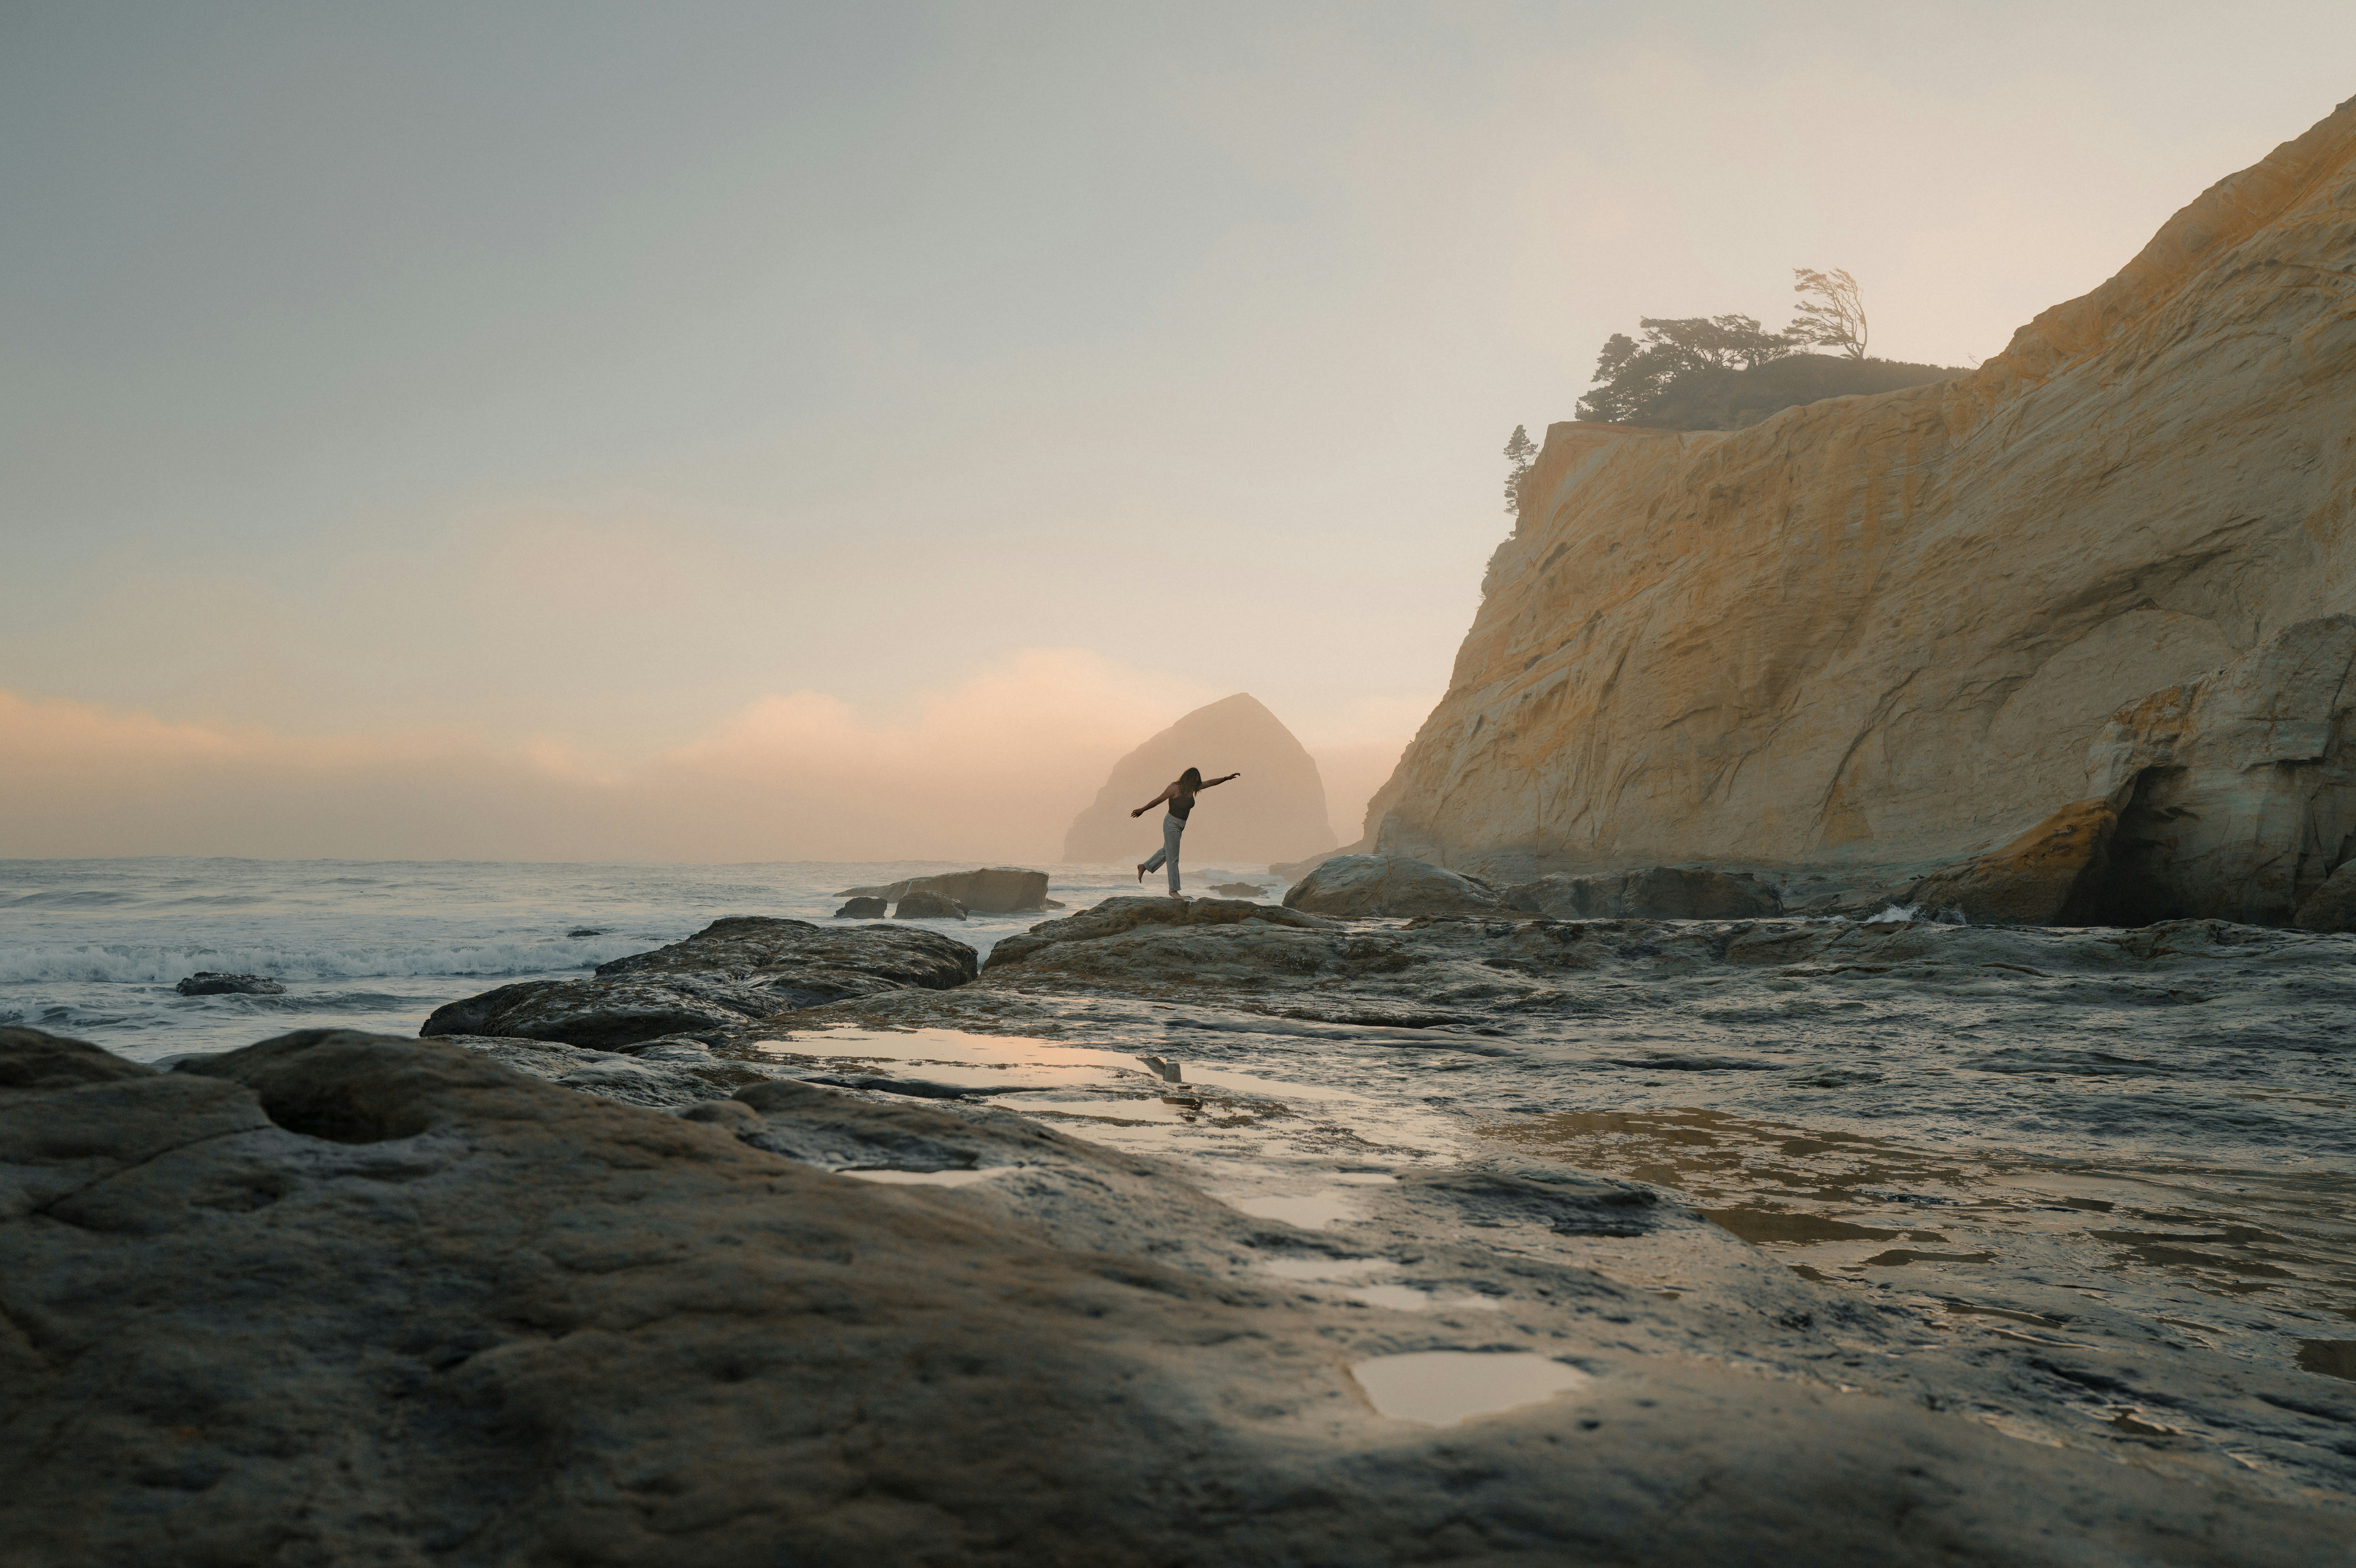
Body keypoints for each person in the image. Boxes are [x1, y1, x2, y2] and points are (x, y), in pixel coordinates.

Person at [1131, 766, 1239, 896]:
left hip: (1180, 825)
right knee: (1173, 858)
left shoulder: (1193, 788)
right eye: (1195, 781)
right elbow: (1158, 800)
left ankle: (1144, 867)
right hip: (1171, 824)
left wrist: (1227, 778)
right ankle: (1173, 890)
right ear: (1188, 779)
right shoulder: (1175, 789)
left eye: (1198, 781)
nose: (1197, 783)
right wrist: (1142, 810)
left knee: (1167, 852)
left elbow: (1210, 783)